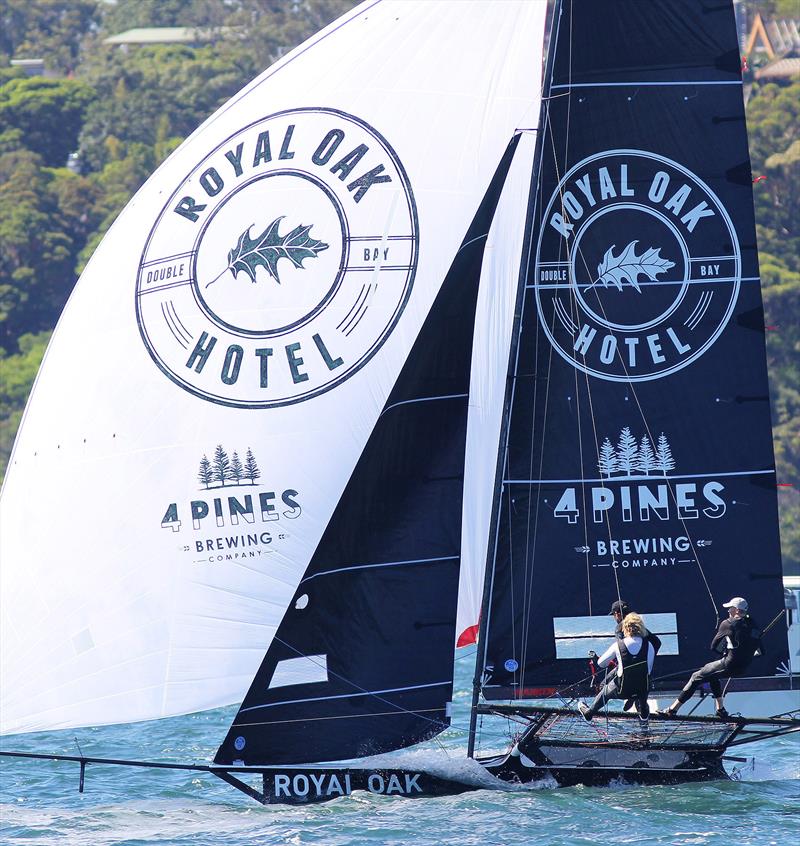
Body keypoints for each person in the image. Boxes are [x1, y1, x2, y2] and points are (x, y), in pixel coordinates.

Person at [658, 597, 762, 720]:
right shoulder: (753, 624)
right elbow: (760, 652)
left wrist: (725, 649)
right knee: (712, 674)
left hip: (729, 664)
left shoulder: (727, 623)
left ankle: (672, 710)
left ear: (737, 611)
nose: (728, 611)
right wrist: (743, 652)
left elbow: (714, 647)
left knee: (695, 677)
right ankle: (720, 710)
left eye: (731, 609)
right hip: (743, 667)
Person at [579, 612, 655, 725]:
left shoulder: (618, 645)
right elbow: (648, 670)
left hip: (622, 690)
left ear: (625, 627)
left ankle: (589, 713)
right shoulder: (650, 645)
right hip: (641, 691)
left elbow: (601, 664)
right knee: (645, 683)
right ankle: (644, 714)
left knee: (605, 692)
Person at [609, 599, 662, 711]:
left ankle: (630, 697)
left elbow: (620, 647)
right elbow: (657, 642)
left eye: (613, 615)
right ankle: (644, 726)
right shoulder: (639, 627)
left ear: (617, 614)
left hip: (628, 670)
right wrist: (649, 658)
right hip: (643, 670)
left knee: (604, 684)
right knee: (641, 699)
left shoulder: (619, 628)